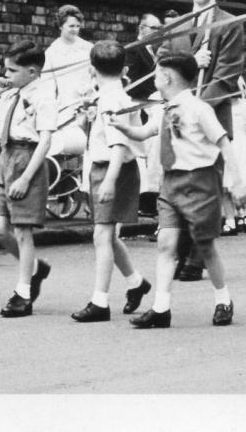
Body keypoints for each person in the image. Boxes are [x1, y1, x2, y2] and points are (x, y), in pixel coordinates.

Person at [111, 53, 246, 329]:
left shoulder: (199, 108)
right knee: (166, 244)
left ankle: (223, 300)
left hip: (200, 182)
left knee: (205, 246)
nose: (154, 77)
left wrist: (237, 182)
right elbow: (145, 133)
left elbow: (223, 143)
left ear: (169, 77)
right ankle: (161, 308)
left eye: (157, 73)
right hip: (171, 182)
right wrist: (119, 125)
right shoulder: (164, 108)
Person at [159, 0, 245, 281]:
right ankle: (179, 250)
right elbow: (164, 66)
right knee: (178, 183)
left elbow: (226, 75)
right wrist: (192, 62)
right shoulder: (179, 25)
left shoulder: (229, 24)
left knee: (206, 187)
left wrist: (196, 110)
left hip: (209, 119)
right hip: (177, 121)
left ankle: (197, 256)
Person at [69, 41, 152, 322]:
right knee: (106, 235)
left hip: (112, 170)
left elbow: (118, 145)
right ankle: (136, 282)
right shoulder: (111, 97)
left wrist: (109, 181)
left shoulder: (110, 100)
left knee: (102, 235)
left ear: (91, 70)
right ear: (125, 69)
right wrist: (85, 118)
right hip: (104, 168)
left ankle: (100, 301)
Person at [0, 41, 58, 318]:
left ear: (33, 71)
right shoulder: (10, 94)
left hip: (28, 158)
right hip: (4, 158)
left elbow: (45, 140)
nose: (6, 75)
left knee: (23, 231)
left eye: (12, 70)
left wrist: (25, 178)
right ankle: (35, 268)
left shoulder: (44, 96)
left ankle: (23, 293)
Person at [125, 13, 162, 217]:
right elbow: (131, 83)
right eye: (153, 28)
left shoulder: (154, 51)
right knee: (144, 152)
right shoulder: (134, 50)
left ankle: (151, 198)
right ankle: (143, 200)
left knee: (153, 154)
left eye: (159, 29)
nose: (158, 33)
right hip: (140, 106)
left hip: (153, 106)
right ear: (142, 29)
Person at [43, 4, 95, 114]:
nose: (75, 30)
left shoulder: (88, 48)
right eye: (71, 26)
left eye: (77, 26)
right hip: (65, 106)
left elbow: (96, 74)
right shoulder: (52, 53)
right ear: (60, 26)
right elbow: (47, 88)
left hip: (89, 104)